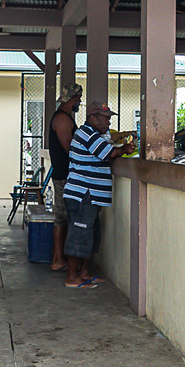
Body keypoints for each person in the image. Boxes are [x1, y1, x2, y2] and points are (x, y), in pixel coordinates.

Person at [61, 100, 131, 288]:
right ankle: (71, 277)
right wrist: (124, 149)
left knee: (90, 234)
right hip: (82, 194)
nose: (108, 123)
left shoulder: (93, 135)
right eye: (105, 119)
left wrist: (119, 150)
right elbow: (107, 153)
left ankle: (84, 272)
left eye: (109, 119)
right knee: (79, 234)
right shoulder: (86, 133)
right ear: (92, 118)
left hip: (90, 195)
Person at [47, 82, 82, 271]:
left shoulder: (64, 117)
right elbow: (69, 148)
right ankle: (58, 259)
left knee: (63, 217)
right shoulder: (62, 119)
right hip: (63, 176)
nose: (80, 102)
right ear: (73, 99)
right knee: (61, 217)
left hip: (64, 174)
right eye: (78, 98)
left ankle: (58, 256)